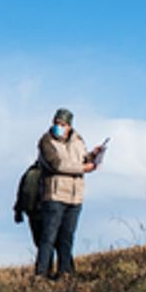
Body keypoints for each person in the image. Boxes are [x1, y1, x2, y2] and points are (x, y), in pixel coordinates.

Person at [34, 108, 99, 279]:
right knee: (48, 237)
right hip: (54, 195)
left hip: (75, 197)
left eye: (62, 124)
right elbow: (56, 165)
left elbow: (83, 159)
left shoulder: (78, 140)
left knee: (67, 237)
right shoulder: (46, 141)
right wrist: (83, 168)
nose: (58, 126)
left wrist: (93, 155)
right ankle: (41, 273)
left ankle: (65, 272)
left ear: (69, 125)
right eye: (56, 123)